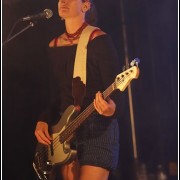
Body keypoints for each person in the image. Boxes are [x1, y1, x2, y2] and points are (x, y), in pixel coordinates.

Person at [34, 0, 122, 179]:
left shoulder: (100, 40)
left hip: (98, 127)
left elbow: (117, 89)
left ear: (85, 6)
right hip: (65, 131)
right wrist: (43, 120)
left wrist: (111, 108)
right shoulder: (53, 46)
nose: (63, 2)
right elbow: (54, 95)